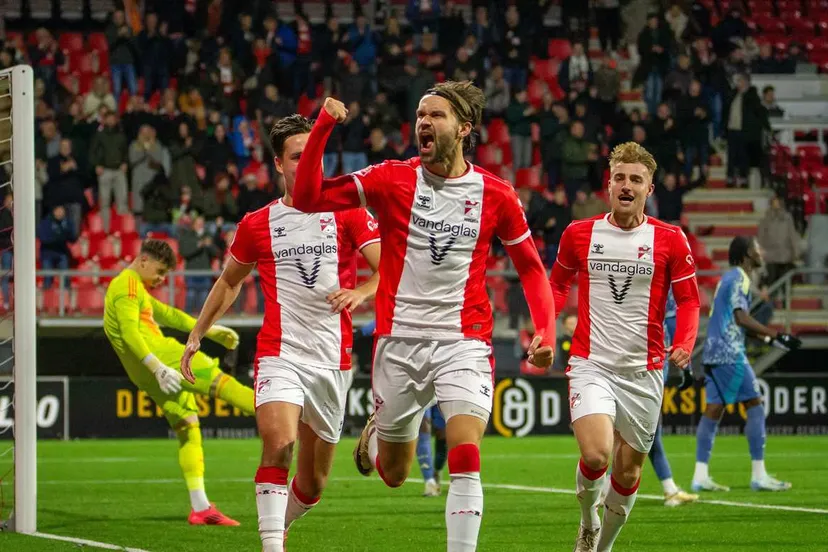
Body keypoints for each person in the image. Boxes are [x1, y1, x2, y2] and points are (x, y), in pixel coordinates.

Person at [292, 81, 557, 552]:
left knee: (465, 453)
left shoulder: (496, 194)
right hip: (399, 342)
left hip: (464, 340)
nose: (423, 123)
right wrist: (323, 127)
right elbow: (309, 197)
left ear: (464, 128)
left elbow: (533, 269)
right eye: (420, 115)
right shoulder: (391, 178)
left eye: (436, 115)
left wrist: (547, 332)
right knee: (394, 474)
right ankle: (378, 433)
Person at [180, 115, 381, 552]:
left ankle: (282, 522)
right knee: (279, 442)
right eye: (296, 157)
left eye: (313, 155)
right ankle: (272, 545)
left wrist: (361, 291)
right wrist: (197, 332)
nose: (307, 164)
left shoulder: (347, 211)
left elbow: (388, 270)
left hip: (332, 359)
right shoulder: (258, 223)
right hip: (280, 352)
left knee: (313, 482)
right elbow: (229, 281)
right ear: (278, 163)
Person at [549, 142, 701, 552]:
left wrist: (685, 342)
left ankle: (603, 548)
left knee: (629, 472)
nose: (626, 185)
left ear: (649, 188)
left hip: (644, 371)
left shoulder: (670, 238)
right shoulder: (579, 233)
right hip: (591, 363)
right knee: (597, 455)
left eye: (636, 179)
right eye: (620, 177)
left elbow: (689, 301)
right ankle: (588, 522)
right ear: (609, 184)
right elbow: (557, 285)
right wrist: (545, 330)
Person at [103, 239, 250, 525]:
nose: (161, 279)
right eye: (159, 272)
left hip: (147, 375)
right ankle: (290, 418)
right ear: (143, 261)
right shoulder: (127, 286)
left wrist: (211, 331)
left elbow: (169, 315)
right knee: (226, 385)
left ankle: (201, 507)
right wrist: (158, 367)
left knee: (188, 427)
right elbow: (130, 333)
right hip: (164, 359)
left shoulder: (132, 288)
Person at [692, 236, 801, 493]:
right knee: (755, 404)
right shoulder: (739, 278)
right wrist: (776, 333)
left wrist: (771, 339)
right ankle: (759, 475)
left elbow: (735, 320)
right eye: (756, 248)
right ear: (746, 255)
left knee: (713, 410)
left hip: (712, 352)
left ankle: (700, 475)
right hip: (729, 353)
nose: (761, 251)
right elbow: (741, 318)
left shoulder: (728, 278)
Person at [651, 289, 699, 507]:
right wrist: (686, 368)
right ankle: (603, 489)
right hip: (653, 364)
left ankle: (669, 488)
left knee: (643, 432)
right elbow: (673, 325)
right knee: (647, 431)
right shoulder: (666, 285)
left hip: (624, 361)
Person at [418, 404, 448, 497]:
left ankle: (437, 471)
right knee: (423, 428)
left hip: (441, 396)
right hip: (421, 396)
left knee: (444, 435)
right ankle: (429, 481)